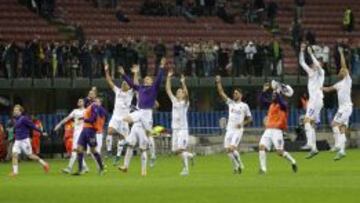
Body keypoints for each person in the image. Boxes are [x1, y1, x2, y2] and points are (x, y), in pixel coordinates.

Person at [118, 58, 166, 176]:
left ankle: (144, 169)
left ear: (151, 82)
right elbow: (132, 84)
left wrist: (161, 67)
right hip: (139, 113)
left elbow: (159, 79)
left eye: (149, 79)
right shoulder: (141, 88)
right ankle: (125, 166)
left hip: (146, 114)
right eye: (145, 78)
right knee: (129, 140)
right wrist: (124, 74)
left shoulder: (153, 88)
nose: (146, 79)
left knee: (143, 146)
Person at [215, 75, 252, 174]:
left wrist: (242, 123)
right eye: (234, 93)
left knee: (232, 148)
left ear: (241, 95)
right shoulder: (230, 103)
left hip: (238, 130)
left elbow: (250, 119)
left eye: (236, 93)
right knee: (227, 150)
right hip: (229, 129)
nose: (234, 95)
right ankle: (236, 166)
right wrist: (218, 82)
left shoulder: (244, 106)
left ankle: (239, 164)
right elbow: (221, 93)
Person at [258, 84, 297, 174]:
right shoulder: (272, 104)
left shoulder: (284, 105)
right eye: (273, 95)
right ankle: (263, 169)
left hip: (277, 131)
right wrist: (263, 91)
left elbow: (280, 100)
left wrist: (277, 91)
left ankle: (293, 161)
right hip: (268, 130)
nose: (273, 96)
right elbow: (261, 101)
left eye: (274, 95)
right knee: (261, 147)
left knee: (279, 152)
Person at [322, 48, 353, 160]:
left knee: (334, 124)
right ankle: (342, 151)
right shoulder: (338, 84)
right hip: (343, 109)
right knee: (342, 128)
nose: (342, 71)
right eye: (340, 71)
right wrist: (319, 88)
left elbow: (344, 66)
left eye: (343, 70)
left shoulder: (347, 80)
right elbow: (328, 89)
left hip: (346, 108)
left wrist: (341, 53)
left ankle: (337, 145)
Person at [104, 63, 135, 165]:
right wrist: (107, 71)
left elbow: (135, 84)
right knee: (109, 131)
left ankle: (117, 156)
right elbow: (109, 81)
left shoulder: (130, 93)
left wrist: (135, 73)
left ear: (128, 86)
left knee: (124, 139)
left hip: (125, 119)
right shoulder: (117, 91)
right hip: (115, 117)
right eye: (122, 83)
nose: (123, 84)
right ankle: (108, 151)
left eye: (125, 84)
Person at [166, 71, 194, 176]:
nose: (178, 93)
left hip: (183, 129)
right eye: (177, 91)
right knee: (175, 151)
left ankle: (186, 170)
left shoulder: (185, 103)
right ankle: (190, 156)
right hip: (175, 129)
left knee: (180, 149)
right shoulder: (174, 101)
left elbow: (187, 95)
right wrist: (168, 77)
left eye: (180, 92)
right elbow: (168, 90)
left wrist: (183, 83)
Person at [299, 43, 325, 159]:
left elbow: (318, 66)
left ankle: (310, 144)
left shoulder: (321, 73)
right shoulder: (310, 72)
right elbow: (301, 63)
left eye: (316, 62)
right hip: (314, 100)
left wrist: (311, 54)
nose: (314, 64)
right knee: (311, 124)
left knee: (306, 121)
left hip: (316, 99)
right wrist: (302, 51)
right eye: (314, 63)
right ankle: (314, 148)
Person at [9, 105, 50, 176]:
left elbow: (32, 126)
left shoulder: (24, 118)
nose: (15, 111)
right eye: (14, 110)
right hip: (17, 140)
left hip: (25, 140)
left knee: (30, 156)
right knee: (14, 155)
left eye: (16, 110)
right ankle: (15, 172)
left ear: (21, 111)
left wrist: (41, 132)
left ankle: (45, 164)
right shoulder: (15, 119)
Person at [73, 91, 105, 176]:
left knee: (93, 150)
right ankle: (80, 170)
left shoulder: (95, 106)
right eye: (89, 93)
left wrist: (84, 119)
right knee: (79, 149)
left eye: (91, 93)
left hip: (90, 130)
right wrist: (83, 119)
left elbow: (93, 119)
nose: (89, 94)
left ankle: (101, 168)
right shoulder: (90, 106)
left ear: (95, 96)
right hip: (84, 129)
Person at [54, 98, 89, 174]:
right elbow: (67, 118)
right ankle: (85, 167)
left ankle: (69, 168)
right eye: (78, 101)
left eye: (81, 101)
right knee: (78, 151)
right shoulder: (75, 111)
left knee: (74, 150)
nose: (79, 102)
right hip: (76, 133)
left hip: (82, 132)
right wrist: (59, 124)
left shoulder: (86, 111)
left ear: (84, 103)